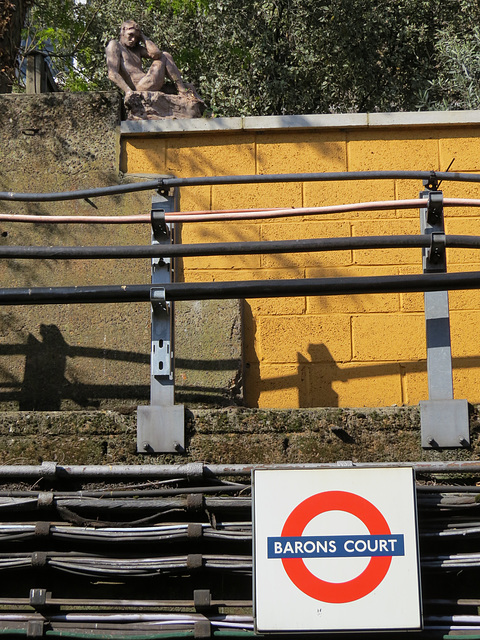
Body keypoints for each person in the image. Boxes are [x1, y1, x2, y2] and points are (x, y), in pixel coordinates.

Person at [106, 20, 189, 96]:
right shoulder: (114, 45)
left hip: (147, 81)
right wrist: (128, 91)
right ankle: (182, 90)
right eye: (130, 35)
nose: (133, 39)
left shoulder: (136, 49)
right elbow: (112, 74)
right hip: (139, 86)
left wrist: (142, 36)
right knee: (165, 55)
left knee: (165, 55)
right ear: (123, 31)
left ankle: (182, 89)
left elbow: (156, 54)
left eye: (136, 37)